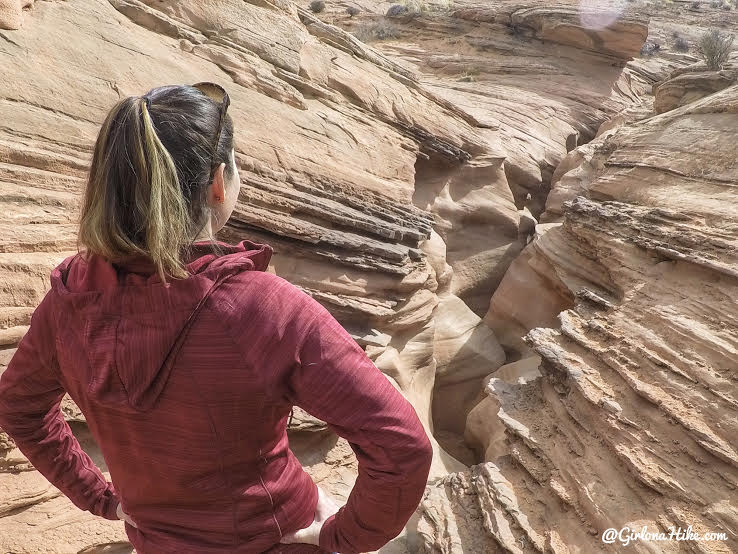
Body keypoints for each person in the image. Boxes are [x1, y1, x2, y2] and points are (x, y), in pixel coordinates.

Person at [0, 83, 434, 553]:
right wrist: (344, 537)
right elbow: (402, 446)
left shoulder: (71, 303)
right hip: (277, 538)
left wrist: (103, 498)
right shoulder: (260, 308)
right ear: (218, 183)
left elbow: (19, 408)